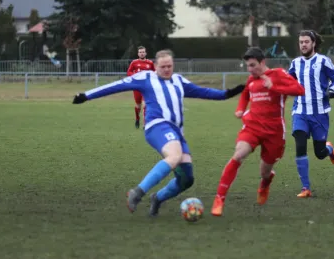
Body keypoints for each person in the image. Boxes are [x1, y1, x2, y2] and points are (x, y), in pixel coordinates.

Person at [72, 49, 245, 216]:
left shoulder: (178, 80)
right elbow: (116, 86)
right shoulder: (145, 78)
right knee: (174, 155)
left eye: (169, 66)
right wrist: (86, 95)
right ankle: (137, 192)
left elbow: (204, 92)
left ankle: (158, 198)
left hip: (177, 132)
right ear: (155, 66)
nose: (167, 69)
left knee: (187, 179)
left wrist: (228, 94)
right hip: (157, 126)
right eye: (163, 66)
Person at [211, 47, 305, 217]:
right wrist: (240, 109)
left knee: (265, 171)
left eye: (253, 65)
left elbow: (299, 90)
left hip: (274, 132)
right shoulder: (251, 80)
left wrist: (274, 86)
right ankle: (219, 199)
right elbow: (245, 95)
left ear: (262, 62)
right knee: (239, 154)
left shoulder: (279, 74)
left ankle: (265, 182)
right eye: (247, 66)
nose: (250, 69)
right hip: (252, 126)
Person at [288, 30, 334, 198]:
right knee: (300, 145)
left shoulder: (323, 61)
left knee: (319, 153)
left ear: (313, 43)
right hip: (300, 111)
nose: (303, 44)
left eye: (306, 42)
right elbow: (287, 81)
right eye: (301, 42)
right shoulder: (295, 63)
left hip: (319, 114)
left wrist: (332, 91)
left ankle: (329, 149)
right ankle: (306, 188)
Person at [127, 46, 155, 129]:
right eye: (140, 52)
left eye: (143, 52)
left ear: (145, 53)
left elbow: (154, 72)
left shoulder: (150, 63)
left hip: (146, 87)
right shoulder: (134, 62)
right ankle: (137, 118)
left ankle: (145, 124)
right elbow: (129, 72)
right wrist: (135, 76)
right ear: (138, 53)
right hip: (137, 87)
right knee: (138, 106)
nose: (142, 53)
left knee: (145, 105)